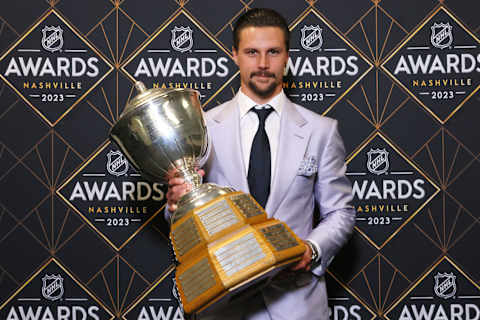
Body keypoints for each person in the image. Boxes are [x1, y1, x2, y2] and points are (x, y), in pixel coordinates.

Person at [166, 8, 355, 320]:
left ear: (287, 57)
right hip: (225, 306)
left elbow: (341, 211)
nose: (263, 64)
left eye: (273, 52)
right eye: (252, 52)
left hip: (298, 304)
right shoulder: (201, 128)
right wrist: (175, 204)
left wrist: (312, 249)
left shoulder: (321, 130)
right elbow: (179, 214)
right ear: (235, 55)